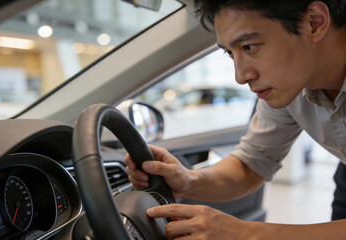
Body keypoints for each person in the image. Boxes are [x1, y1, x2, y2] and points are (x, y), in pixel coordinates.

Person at [125, 0, 346, 239]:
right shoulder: (290, 86)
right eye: (231, 53)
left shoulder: (287, 77)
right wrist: (189, 180)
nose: (240, 76)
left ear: (315, 22)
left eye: (249, 47)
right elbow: (251, 164)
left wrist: (244, 233)